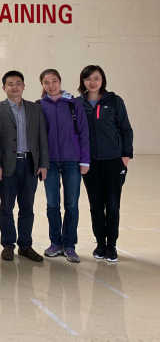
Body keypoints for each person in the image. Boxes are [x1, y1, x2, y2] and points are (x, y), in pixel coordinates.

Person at [0, 70, 48, 262]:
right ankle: (8, 245)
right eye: (10, 84)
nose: (14, 87)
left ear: (24, 86)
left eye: (18, 83)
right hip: (7, 165)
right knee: (6, 206)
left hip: (30, 164)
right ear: (4, 87)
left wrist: (43, 164)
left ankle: (25, 245)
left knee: (27, 207)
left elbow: (42, 138)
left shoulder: (35, 109)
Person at [78, 65, 133, 263]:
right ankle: (100, 243)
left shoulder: (115, 101)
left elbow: (126, 129)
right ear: (83, 82)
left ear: (102, 80)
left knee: (112, 204)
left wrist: (125, 156)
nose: (92, 82)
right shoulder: (78, 104)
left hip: (113, 162)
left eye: (96, 78)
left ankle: (112, 245)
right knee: (95, 205)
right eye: (88, 79)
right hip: (90, 163)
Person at [37, 68, 90, 263]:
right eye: (46, 82)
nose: (51, 85)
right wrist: (41, 162)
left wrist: (85, 160)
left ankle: (69, 245)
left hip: (72, 161)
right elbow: (37, 137)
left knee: (71, 205)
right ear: (42, 85)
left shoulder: (74, 104)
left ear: (60, 81)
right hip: (49, 162)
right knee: (52, 204)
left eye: (54, 81)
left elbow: (84, 132)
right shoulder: (39, 106)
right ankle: (55, 243)